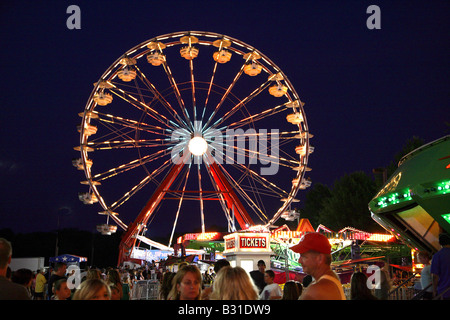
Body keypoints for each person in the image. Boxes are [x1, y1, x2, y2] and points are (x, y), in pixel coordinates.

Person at [291, 232, 346, 300]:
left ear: (320, 258)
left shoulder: (318, 289)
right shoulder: (330, 278)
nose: (299, 261)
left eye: (304, 256)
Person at [431, 233, 450, 300]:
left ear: (439, 243)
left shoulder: (437, 256)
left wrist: (434, 290)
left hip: (444, 291)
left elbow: (435, 276)